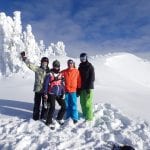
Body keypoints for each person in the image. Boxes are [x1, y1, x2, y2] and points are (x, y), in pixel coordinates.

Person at [20, 51, 50, 121]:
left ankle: (44, 116)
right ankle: (35, 117)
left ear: (47, 63)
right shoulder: (37, 69)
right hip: (38, 90)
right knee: (37, 104)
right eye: (43, 63)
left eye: (46, 63)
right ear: (41, 63)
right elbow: (30, 65)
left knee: (45, 105)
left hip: (45, 91)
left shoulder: (49, 71)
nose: (44, 64)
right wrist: (25, 59)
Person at [43, 60, 66, 129]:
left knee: (64, 106)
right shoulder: (49, 74)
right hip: (51, 93)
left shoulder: (61, 74)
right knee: (52, 107)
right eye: (55, 66)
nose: (56, 67)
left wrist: (63, 92)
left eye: (58, 66)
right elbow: (46, 85)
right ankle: (48, 122)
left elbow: (62, 84)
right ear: (53, 66)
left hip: (59, 93)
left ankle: (59, 118)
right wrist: (45, 93)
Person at [62, 59, 81, 124]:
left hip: (73, 91)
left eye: (71, 63)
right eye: (69, 63)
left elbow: (79, 81)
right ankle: (68, 117)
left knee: (74, 104)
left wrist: (79, 89)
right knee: (67, 105)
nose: (70, 64)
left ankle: (75, 118)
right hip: (66, 91)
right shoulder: (64, 71)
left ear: (73, 64)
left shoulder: (76, 71)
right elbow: (58, 75)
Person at [78, 52, 95, 121]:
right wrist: (78, 89)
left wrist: (89, 87)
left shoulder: (90, 66)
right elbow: (78, 78)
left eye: (84, 58)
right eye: (81, 58)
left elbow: (92, 78)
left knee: (88, 103)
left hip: (88, 88)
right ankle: (85, 115)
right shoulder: (80, 67)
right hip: (82, 88)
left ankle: (89, 118)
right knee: (82, 102)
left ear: (86, 58)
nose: (82, 60)